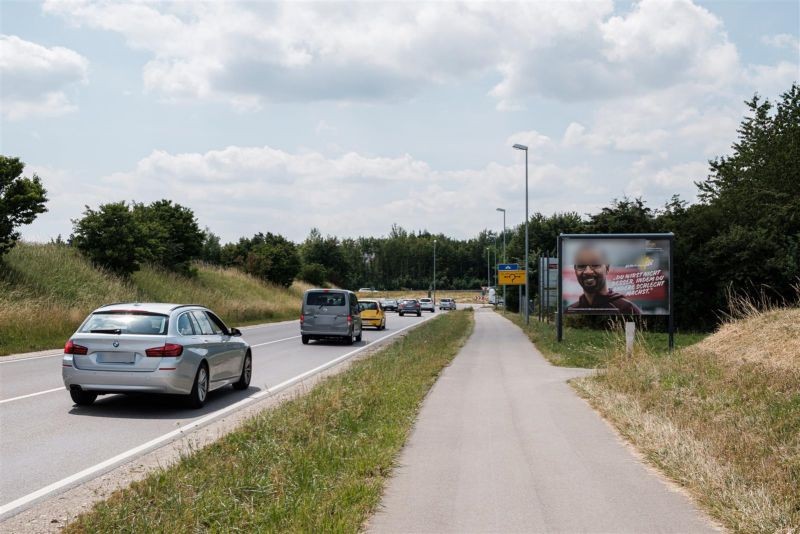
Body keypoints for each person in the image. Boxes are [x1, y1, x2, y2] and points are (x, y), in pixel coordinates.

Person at [566, 245, 641, 314]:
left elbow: (634, 329)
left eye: (595, 265)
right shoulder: (570, 311)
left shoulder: (627, 309)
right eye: (581, 266)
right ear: (575, 270)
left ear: (607, 268)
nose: (588, 271)